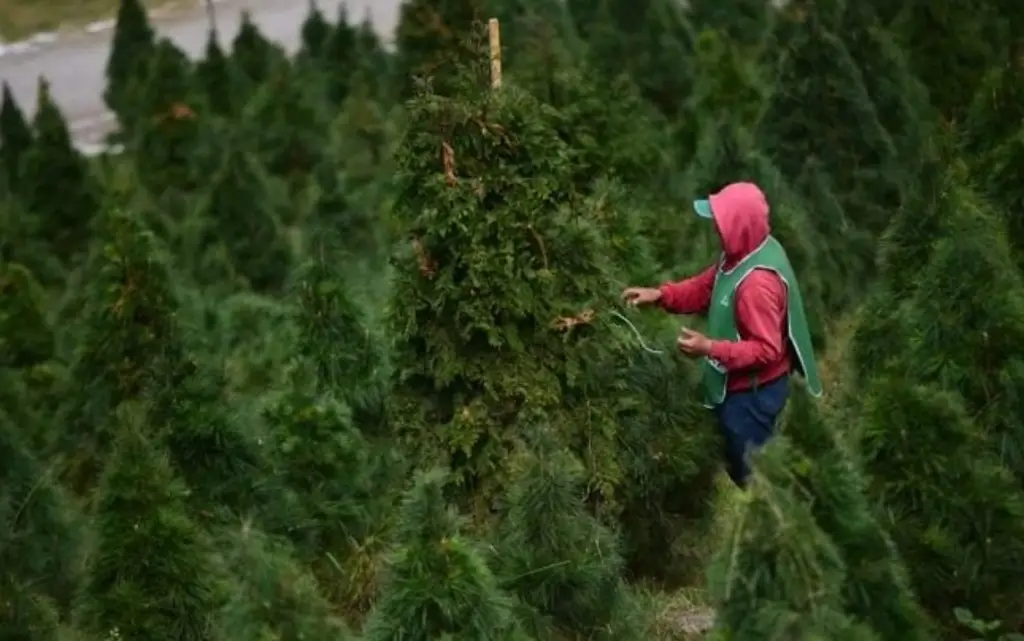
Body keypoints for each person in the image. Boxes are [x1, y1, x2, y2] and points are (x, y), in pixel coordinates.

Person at [622, 181, 822, 487]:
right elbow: (705, 287)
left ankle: (757, 508)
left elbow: (766, 350)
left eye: (721, 222)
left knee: (751, 473)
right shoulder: (743, 252)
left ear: (739, 228)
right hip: (742, 387)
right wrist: (661, 295)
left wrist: (710, 348)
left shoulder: (756, 287)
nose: (715, 227)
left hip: (753, 397)